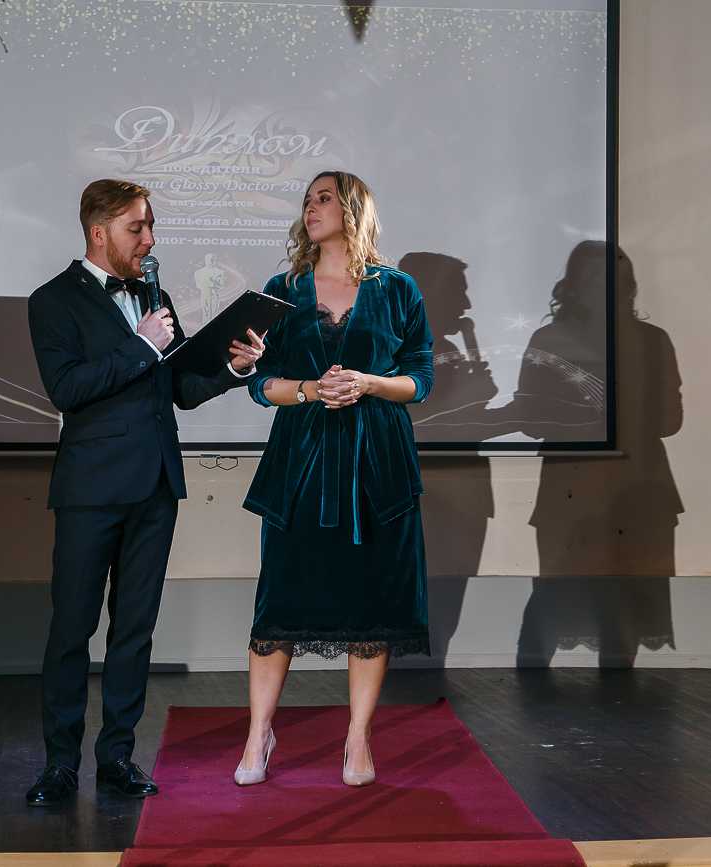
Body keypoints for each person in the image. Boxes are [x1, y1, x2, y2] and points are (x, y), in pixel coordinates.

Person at [25, 179, 264, 805]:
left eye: (151, 226)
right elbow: (67, 389)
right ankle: (59, 765)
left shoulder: (155, 298)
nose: (150, 240)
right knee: (72, 629)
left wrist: (233, 369)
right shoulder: (53, 300)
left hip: (155, 485)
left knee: (134, 630)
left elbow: (178, 389)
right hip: (90, 490)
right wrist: (140, 346)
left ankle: (117, 758)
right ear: (99, 231)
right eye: (138, 227)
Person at [234, 171, 434, 787]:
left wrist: (369, 383)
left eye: (323, 198)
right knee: (279, 601)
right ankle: (259, 734)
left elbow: (421, 379)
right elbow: (259, 383)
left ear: (352, 209)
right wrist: (309, 389)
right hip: (301, 463)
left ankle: (357, 739)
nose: (310, 208)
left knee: (370, 604)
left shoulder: (398, 288)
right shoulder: (281, 291)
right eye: (307, 200)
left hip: (379, 464)